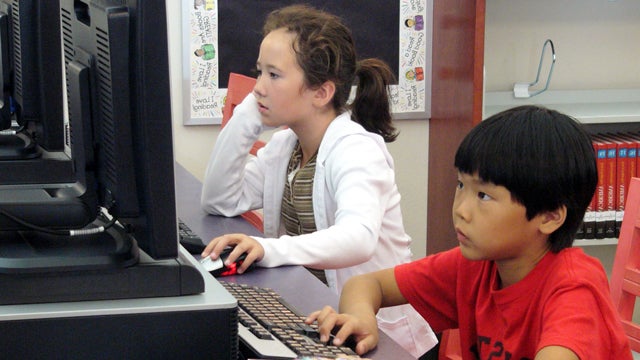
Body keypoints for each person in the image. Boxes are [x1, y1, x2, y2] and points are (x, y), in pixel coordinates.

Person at [199, 4, 438, 358]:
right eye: (258, 72)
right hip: (321, 320)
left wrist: (270, 248)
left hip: (384, 341)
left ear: (321, 93)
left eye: (274, 75)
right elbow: (219, 199)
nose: (258, 88)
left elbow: (358, 239)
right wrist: (249, 115)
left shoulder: (355, 149)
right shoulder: (285, 147)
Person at [307, 105, 633, 359]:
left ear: (549, 217)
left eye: (484, 196)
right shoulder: (477, 265)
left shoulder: (575, 290)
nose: (461, 208)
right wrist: (363, 319)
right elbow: (366, 284)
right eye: (461, 185)